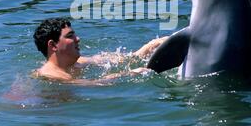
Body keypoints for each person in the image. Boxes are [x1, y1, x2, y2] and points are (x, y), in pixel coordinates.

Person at [32, 18, 168, 85]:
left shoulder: (77, 63)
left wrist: (150, 46)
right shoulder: (51, 76)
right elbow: (94, 84)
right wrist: (131, 73)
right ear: (53, 45)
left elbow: (119, 59)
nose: (77, 39)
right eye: (70, 36)